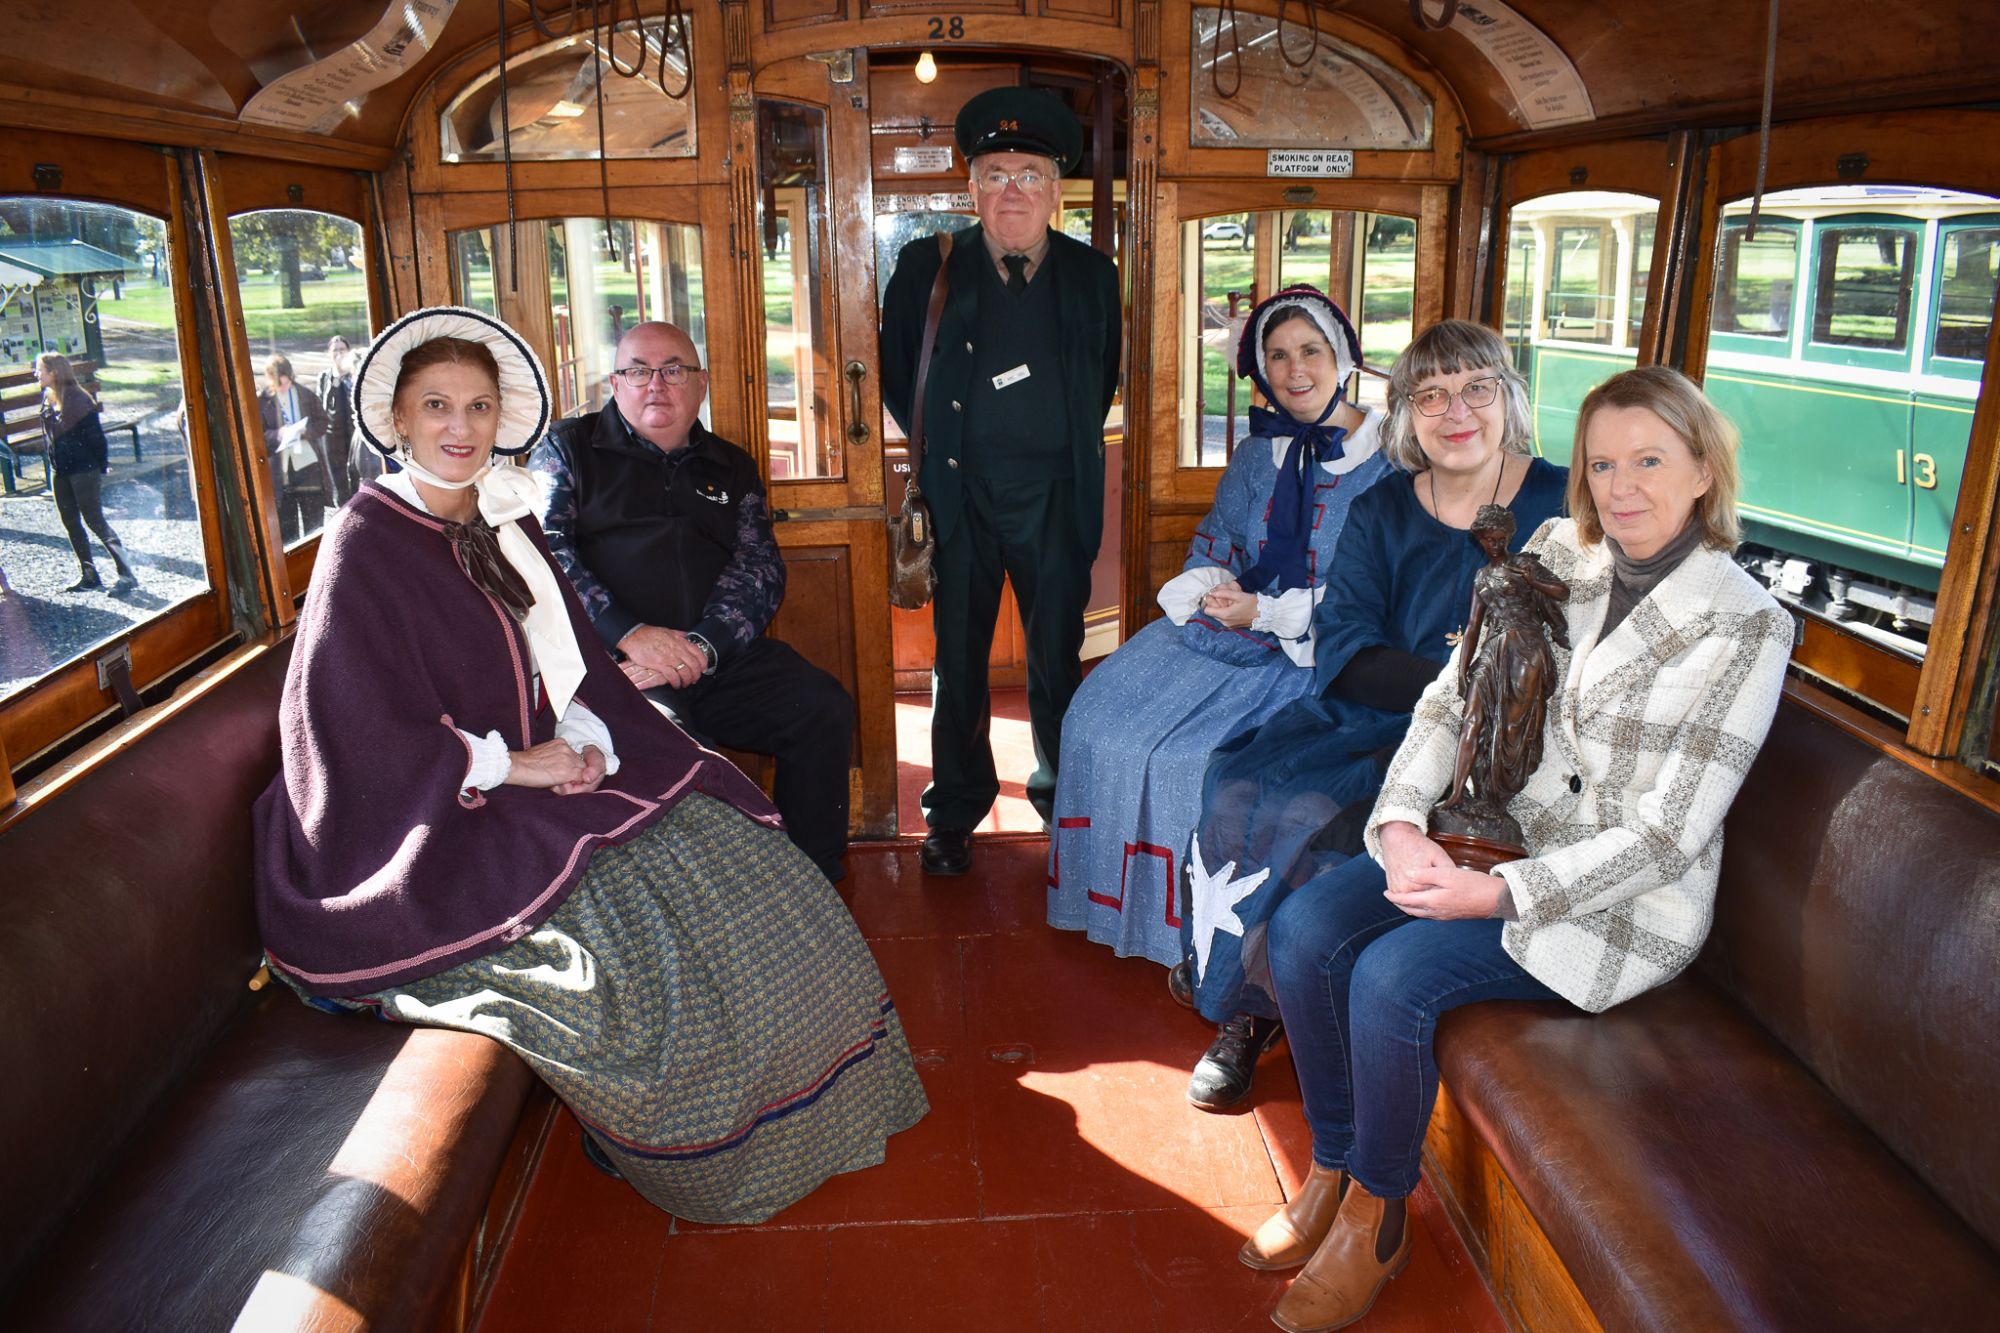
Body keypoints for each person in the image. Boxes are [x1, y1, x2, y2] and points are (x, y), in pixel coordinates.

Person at [253, 306, 926, 1225]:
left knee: (748, 859)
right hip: (431, 807)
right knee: (636, 936)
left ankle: (815, 1102)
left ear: (501, 417)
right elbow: (352, 729)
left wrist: (595, 743)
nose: (460, 427)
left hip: (549, 757)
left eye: (479, 407)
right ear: (397, 420)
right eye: (437, 407)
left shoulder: (496, 516)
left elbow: (557, 654)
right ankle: (689, 1139)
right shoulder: (365, 542)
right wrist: (517, 766)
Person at [1244, 364, 1792, 1332]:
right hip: (1487, 838)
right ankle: (1331, 1165)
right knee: (1302, 929)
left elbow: (1664, 836)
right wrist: (1405, 822)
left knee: (1387, 978)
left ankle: (1376, 1217)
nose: (1621, 488)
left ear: (1703, 469)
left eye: (1649, 461)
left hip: (1614, 903)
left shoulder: (1743, 624)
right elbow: (1448, 699)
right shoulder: (1557, 551)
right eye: (1601, 464)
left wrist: (1493, 898)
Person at [1177, 320, 1567, 1111]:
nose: (1456, 411)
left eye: (1476, 388)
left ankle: (1310, 1006)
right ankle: (1248, 1009)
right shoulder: (1384, 507)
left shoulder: (1562, 500)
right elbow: (1348, 643)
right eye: (1431, 394)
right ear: (1407, 416)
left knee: (1329, 821)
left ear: (1510, 397)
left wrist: (1488, 709)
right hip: (1377, 711)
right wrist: (1457, 690)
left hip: (1510, 744)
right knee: (1242, 782)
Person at [1047, 287, 1390, 964]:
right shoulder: (1257, 454)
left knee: (1190, 759)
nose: (1295, 371)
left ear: (1343, 356)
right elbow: (1219, 539)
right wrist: (1213, 586)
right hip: (1236, 628)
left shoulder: (1389, 462)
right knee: (1094, 715)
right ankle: (1114, 898)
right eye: (1279, 355)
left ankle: (1192, 932)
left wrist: (1269, 611)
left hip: (1319, 650)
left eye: (1311, 352)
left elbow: (1376, 590)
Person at [879, 86, 1122, 877]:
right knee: (959, 661)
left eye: (1027, 173)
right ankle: (953, 813)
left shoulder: (1092, 273)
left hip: (1056, 497)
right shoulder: (927, 266)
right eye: (993, 172)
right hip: (961, 501)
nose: (1010, 189)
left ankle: (1065, 806)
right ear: (971, 187)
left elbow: (1103, 379)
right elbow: (896, 378)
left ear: (1055, 189)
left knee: (1058, 657)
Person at [531, 320, 854, 882]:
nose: (655, 384)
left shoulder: (731, 464)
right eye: (638, 371)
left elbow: (759, 567)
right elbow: (547, 554)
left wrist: (704, 645)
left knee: (821, 705)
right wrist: (628, 635)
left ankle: (813, 878)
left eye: (673, 370)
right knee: (676, 748)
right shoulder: (568, 449)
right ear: (615, 382)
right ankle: (716, 899)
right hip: (615, 669)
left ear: (700, 384)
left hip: (720, 658)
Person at [37, 351, 136, 592]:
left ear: (54, 373)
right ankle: (89, 574)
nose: (36, 374)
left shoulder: (79, 400)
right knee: (70, 522)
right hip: (60, 470)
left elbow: (97, 439)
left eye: (40, 370)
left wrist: (100, 468)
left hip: (83, 469)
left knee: (94, 520)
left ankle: (126, 573)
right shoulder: (49, 397)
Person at [257, 353, 332, 542]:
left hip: (308, 467)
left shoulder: (304, 394)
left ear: (291, 376)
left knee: (314, 525)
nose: (283, 387)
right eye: (278, 384)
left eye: (286, 382)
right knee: (287, 530)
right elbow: (257, 435)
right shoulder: (262, 401)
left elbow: (322, 422)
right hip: (281, 472)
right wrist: (277, 434)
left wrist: (306, 430)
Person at [317, 334, 360, 504]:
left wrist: (348, 375)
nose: (339, 353)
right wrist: (335, 379)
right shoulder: (325, 377)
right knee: (339, 479)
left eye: (342, 349)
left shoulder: (355, 374)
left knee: (356, 474)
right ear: (329, 353)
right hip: (333, 436)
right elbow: (325, 406)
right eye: (335, 350)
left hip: (354, 431)